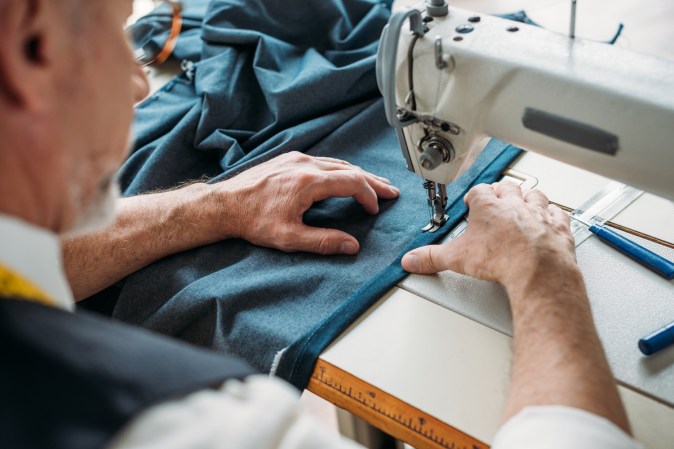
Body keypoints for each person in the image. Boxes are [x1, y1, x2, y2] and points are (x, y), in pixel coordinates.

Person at [0, 1, 641, 448]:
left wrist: (214, 205)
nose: (141, 84)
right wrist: (544, 275)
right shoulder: (187, 427)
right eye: (117, 32)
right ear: (33, 47)